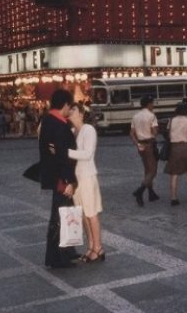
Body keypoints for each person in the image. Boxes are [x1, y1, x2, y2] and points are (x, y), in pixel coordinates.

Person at [39, 89, 79, 268]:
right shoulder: (60, 126)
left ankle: (68, 250)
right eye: (69, 106)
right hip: (62, 178)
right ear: (65, 105)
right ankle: (57, 257)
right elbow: (63, 157)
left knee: (64, 213)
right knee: (60, 216)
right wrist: (69, 181)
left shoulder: (47, 120)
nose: (70, 110)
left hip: (52, 174)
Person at [66, 103, 105, 262]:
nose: (70, 111)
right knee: (82, 215)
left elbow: (87, 154)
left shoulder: (89, 129)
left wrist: (65, 151)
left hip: (87, 176)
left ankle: (99, 247)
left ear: (81, 113)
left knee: (91, 213)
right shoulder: (72, 132)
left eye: (73, 109)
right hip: (76, 179)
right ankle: (90, 246)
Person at [164, 103, 187, 206]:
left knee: (174, 174)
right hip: (185, 147)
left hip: (174, 148)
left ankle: (173, 197)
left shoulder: (171, 121)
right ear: (186, 111)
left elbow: (168, 134)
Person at [129, 95, 160, 207]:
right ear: (149, 104)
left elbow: (131, 133)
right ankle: (140, 191)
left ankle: (151, 193)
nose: (153, 105)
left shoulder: (135, 116)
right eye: (152, 103)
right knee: (153, 170)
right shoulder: (151, 116)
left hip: (140, 145)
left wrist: (137, 143)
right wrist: (155, 131)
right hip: (150, 144)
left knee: (147, 169)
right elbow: (155, 132)